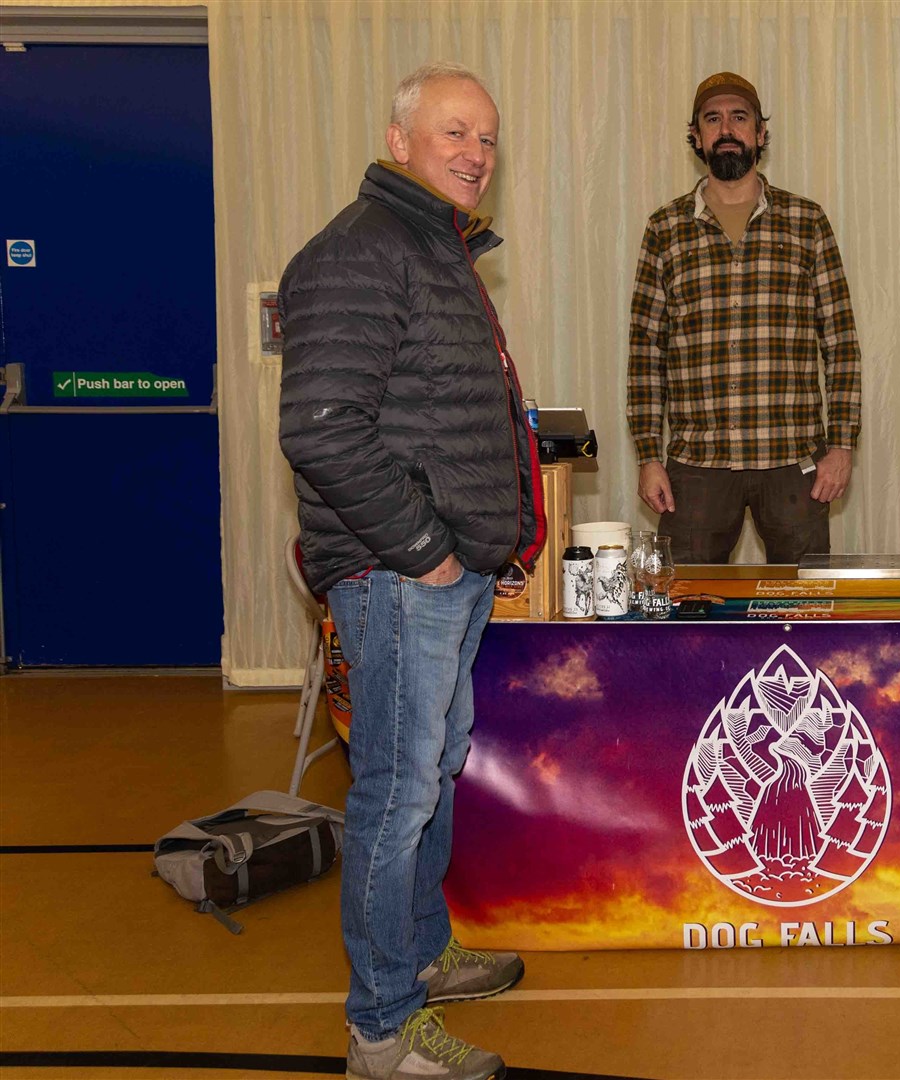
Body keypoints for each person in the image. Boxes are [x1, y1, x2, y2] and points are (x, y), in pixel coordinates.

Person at [279, 62, 543, 1080]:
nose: (477, 152)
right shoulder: (362, 252)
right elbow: (323, 429)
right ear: (401, 142)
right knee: (395, 795)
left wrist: (491, 542)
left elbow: (441, 418)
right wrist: (429, 551)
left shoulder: (435, 249)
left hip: (447, 571)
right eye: (454, 133)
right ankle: (382, 1031)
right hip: (399, 576)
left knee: (427, 774)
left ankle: (423, 956)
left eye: (487, 136)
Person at [627, 71, 862, 564]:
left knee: (802, 615)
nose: (727, 127)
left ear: (759, 133)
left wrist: (841, 445)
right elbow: (646, 351)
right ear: (697, 135)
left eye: (740, 117)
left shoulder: (807, 221)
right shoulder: (665, 229)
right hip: (697, 465)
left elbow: (840, 341)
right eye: (713, 118)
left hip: (793, 461)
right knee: (686, 617)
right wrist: (649, 455)